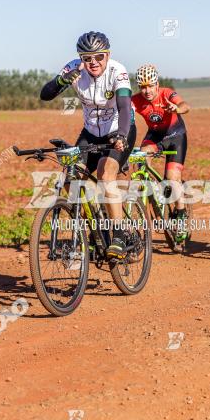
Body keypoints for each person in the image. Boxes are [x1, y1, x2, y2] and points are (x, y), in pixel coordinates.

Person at [39, 31, 137, 260]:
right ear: (80, 58)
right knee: (71, 183)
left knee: (105, 175)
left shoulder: (117, 70)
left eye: (99, 57)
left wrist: (122, 135)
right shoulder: (74, 68)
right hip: (91, 132)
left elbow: (124, 107)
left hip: (120, 129)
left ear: (108, 55)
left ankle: (120, 235)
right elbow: (45, 94)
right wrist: (61, 81)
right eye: (87, 58)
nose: (93, 62)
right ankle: (96, 231)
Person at [131, 63, 191, 239]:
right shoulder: (136, 100)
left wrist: (177, 108)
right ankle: (153, 207)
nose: (147, 90)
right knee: (140, 164)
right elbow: (124, 113)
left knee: (172, 179)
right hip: (155, 137)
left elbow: (185, 105)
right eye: (142, 86)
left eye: (150, 85)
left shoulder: (166, 93)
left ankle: (180, 217)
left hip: (176, 136)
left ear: (157, 83)